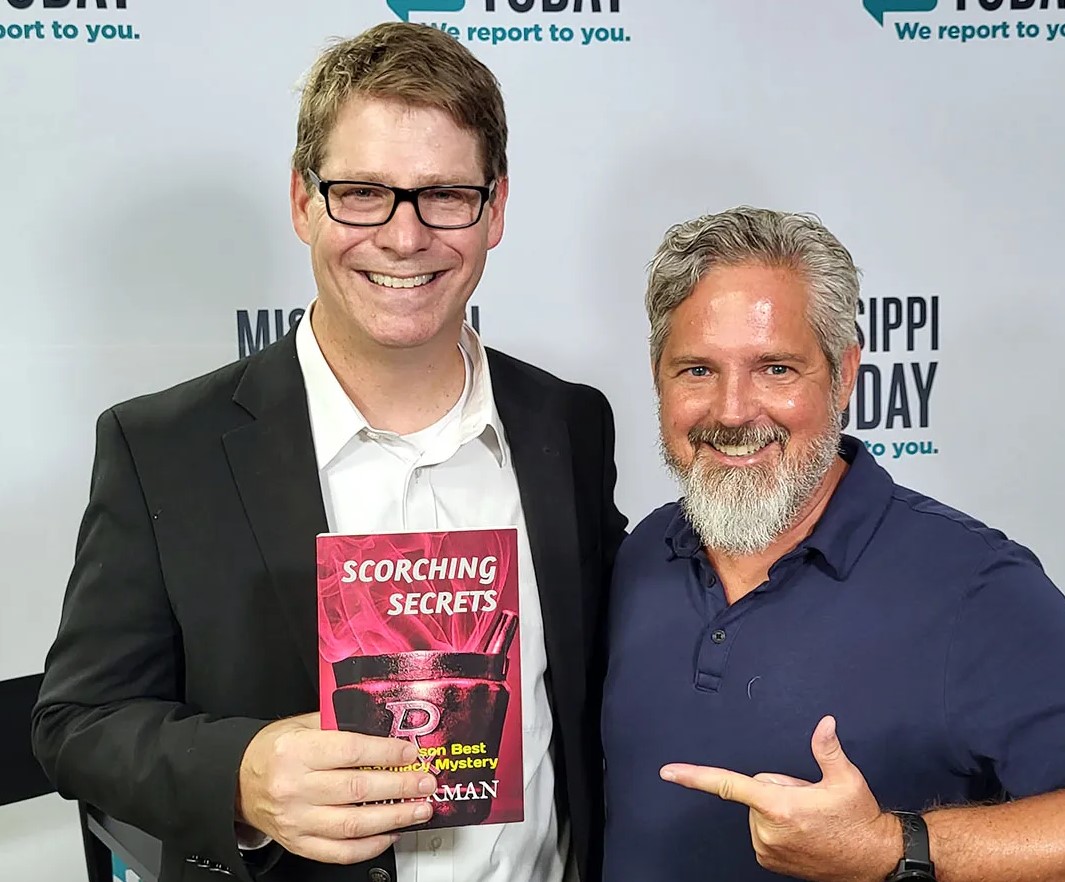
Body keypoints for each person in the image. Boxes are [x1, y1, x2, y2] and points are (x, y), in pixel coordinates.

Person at [32, 21, 625, 882]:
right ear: (303, 201)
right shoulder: (164, 448)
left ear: (494, 209)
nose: (404, 237)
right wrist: (242, 777)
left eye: (444, 195)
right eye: (362, 192)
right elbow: (77, 723)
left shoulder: (569, 424)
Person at [600, 206, 1065, 882]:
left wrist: (892, 847)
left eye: (775, 369)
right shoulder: (639, 556)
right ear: (658, 377)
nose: (732, 411)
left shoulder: (968, 584)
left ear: (844, 374)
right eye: (697, 370)